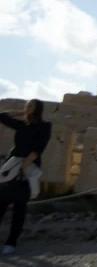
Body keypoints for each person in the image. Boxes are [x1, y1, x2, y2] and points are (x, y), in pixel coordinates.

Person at [0, 99, 52, 255]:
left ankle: (11, 242)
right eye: (26, 106)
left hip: (28, 168)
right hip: (12, 166)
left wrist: (23, 167)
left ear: (38, 109)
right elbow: (2, 116)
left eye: (30, 106)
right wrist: (22, 112)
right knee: (1, 204)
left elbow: (38, 149)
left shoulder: (45, 126)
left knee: (19, 208)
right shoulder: (22, 124)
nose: (27, 108)